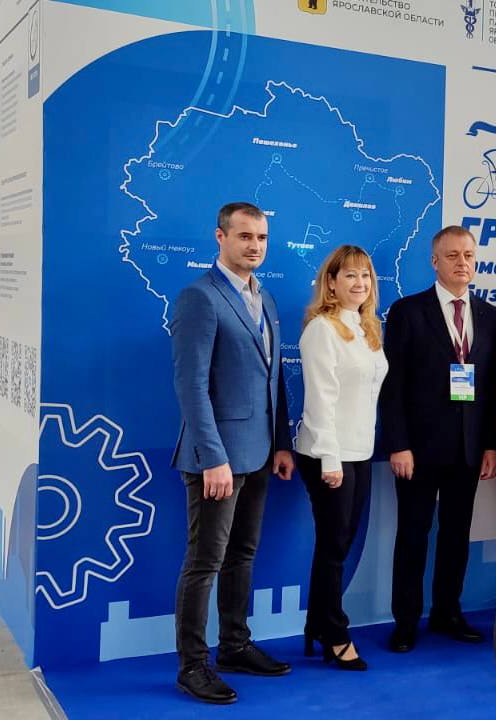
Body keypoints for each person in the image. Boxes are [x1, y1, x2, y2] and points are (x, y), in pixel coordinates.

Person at [170, 202, 294, 704]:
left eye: (261, 237)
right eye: (244, 236)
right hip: (217, 460)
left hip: (259, 453)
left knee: (242, 555)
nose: (255, 246)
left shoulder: (264, 298)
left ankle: (235, 646)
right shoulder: (200, 297)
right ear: (220, 237)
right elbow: (191, 386)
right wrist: (213, 457)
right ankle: (192, 666)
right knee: (205, 562)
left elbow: (273, 379)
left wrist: (281, 444)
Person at [380, 226, 496, 653]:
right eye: (452, 255)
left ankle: (447, 612)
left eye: (468, 255)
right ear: (435, 262)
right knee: (412, 535)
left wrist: (492, 444)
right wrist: (398, 443)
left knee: (456, 534)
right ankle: (405, 621)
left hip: (468, 448)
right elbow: (392, 385)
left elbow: (493, 387)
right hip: (417, 448)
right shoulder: (407, 311)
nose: (462, 263)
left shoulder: (490, 316)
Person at [293, 245, 387, 670]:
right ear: (330, 283)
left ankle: (318, 623)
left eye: (365, 276)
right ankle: (334, 633)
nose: (359, 283)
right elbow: (320, 400)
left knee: (341, 542)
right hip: (327, 453)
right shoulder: (322, 330)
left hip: (360, 451)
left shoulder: (367, 329)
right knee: (334, 546)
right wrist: (330, 459)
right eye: (349, 275)